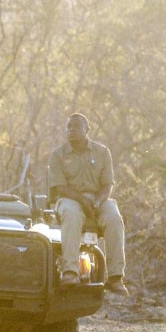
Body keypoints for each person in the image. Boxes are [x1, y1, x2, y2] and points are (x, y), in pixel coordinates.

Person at [48, 112, 128, 294]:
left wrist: (98, 202)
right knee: (72, 214)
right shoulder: (58, 155)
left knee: (114, 218)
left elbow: (108, 184)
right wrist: (83, 200)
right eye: (68, 127)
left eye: (76, 127)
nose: (71, 131)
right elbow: (60, 187)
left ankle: (116, 277)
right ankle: (70, 271)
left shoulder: (102, 152)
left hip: (98, 198)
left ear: (87, 130)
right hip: (70, 198)